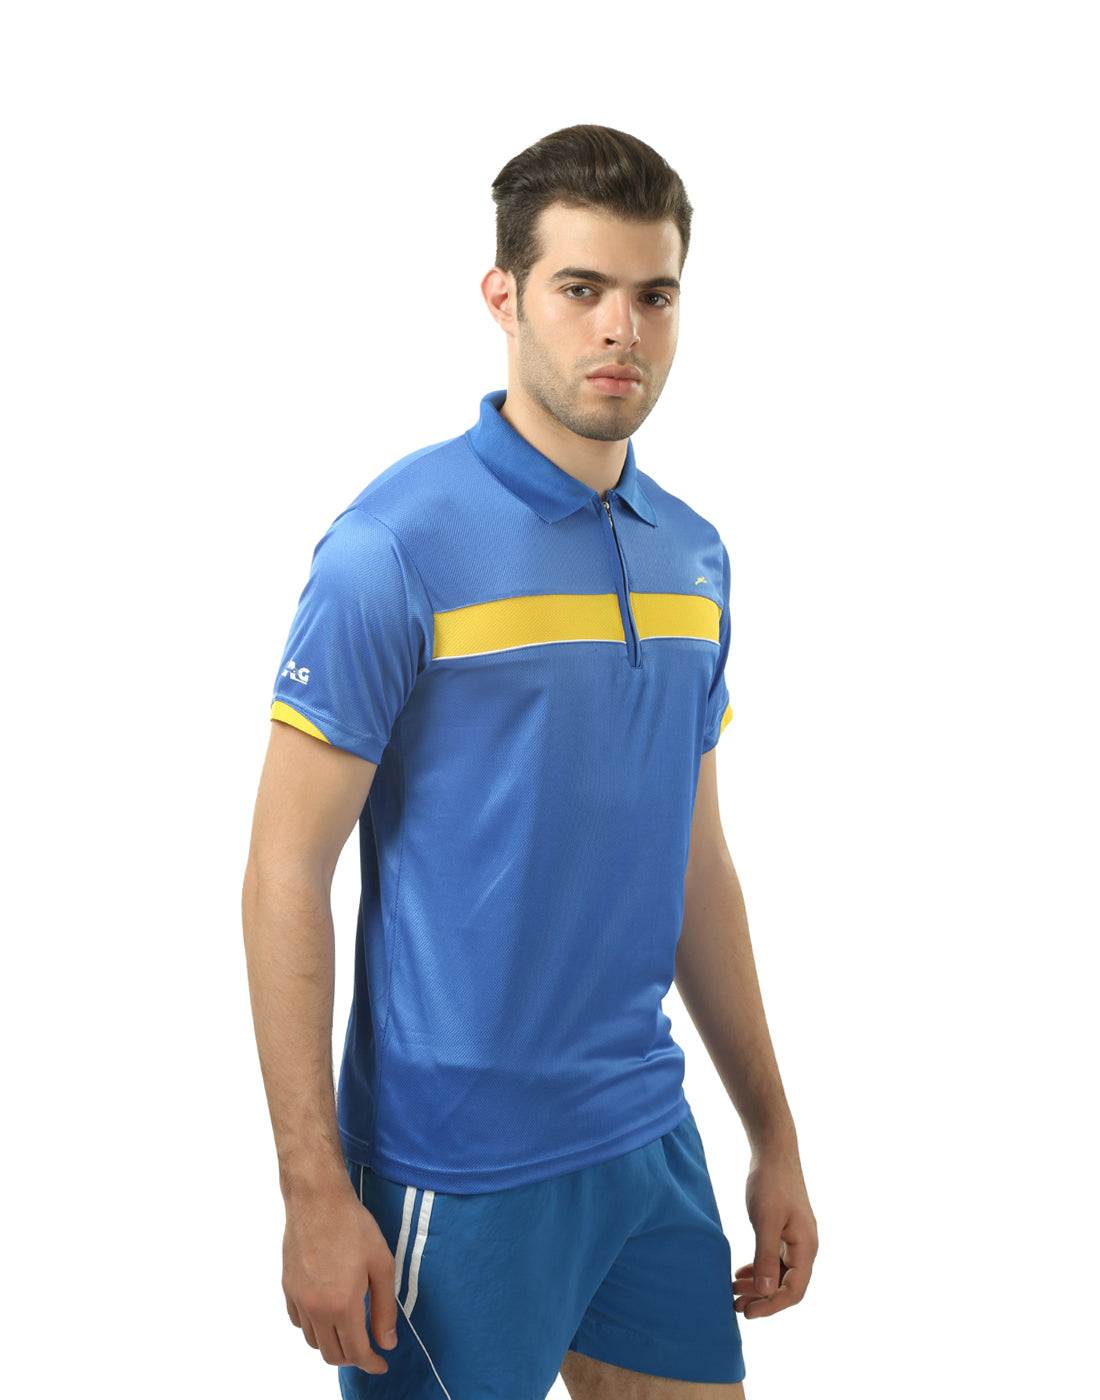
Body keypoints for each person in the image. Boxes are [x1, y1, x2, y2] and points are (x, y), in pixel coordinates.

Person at [243, 124, 817, 1400]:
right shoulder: (392, 547)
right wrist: (312, 1190)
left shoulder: (691, 556)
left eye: (652, 294)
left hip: (643, 1137)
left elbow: (694, 863)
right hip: (456, 1170)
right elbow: (284, 869)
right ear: (501, 296)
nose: (620, 328)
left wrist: (771, 1132)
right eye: (580, 288)